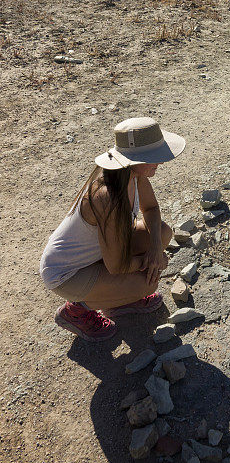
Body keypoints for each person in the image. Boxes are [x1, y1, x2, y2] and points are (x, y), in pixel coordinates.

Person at [40, 117, 185, 342]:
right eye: (154, 157)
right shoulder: (108, 197)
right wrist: (153, 262)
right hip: (66, 273)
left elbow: (152, 208)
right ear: (133, 160)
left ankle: (120, 295)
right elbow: (116, 266)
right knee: (147, 283)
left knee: (162, 233)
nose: (161, 162)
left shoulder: (133, 175)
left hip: (98, 256)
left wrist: (156, 248)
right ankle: (76, 311)